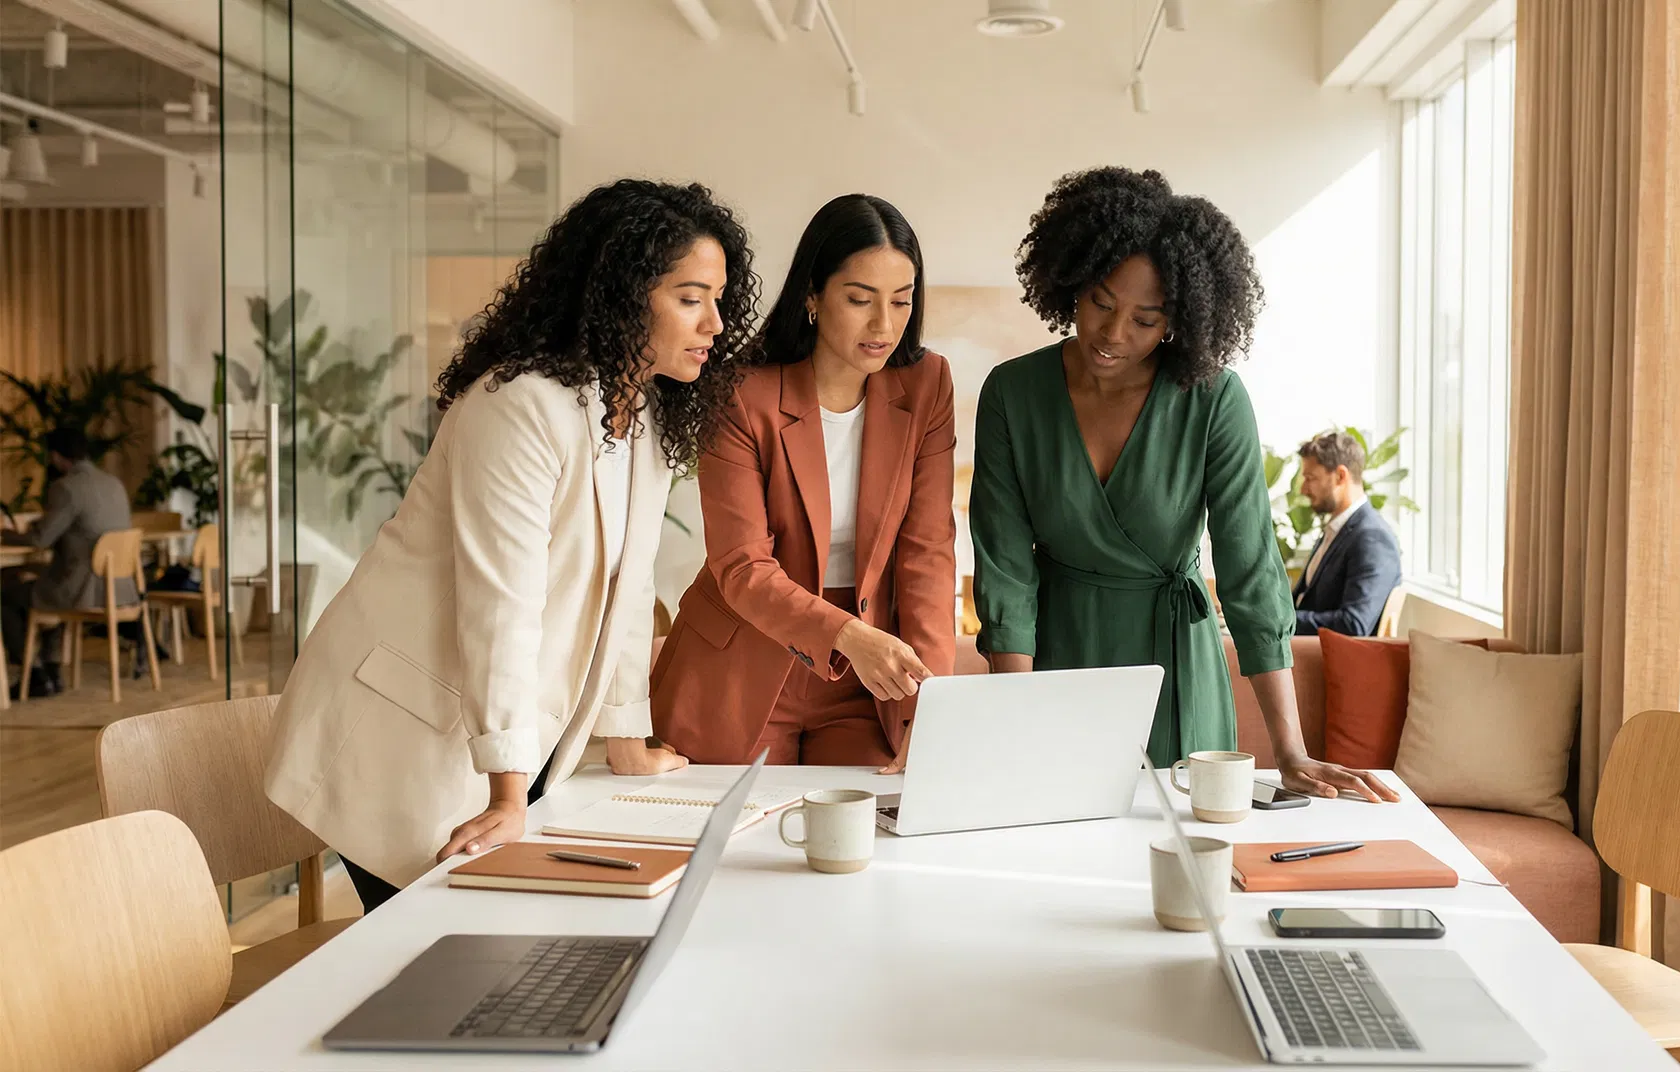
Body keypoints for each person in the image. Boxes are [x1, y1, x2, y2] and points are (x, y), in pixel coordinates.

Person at [264, 179, 758, 912]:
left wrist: (627, 736)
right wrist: (506, 791)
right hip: (398, 730)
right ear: (623, 295)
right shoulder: (519, 402)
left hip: (496, 744)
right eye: (691, 298)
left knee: (488, 938)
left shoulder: (643, 416)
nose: (715, 322)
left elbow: (629, 590)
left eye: (718, 298)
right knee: (439, 943)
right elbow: (502, 601)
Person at [968, 167, 1396, 802]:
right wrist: (1019, 715)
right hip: (1058, 663)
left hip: (1175, 664)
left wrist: (1290, 751)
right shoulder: (1012, 393)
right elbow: (1005, 570)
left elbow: (1251, 572)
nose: (1114, 334)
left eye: (1146, 319)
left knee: (1184, 854)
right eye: (1101, 303)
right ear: (1071, 281)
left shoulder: (1213, 398)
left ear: (1179, 319)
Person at [651, 194, 955, 771]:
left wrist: (931, 705)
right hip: (742, 662)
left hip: (867, 677)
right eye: (860, 299)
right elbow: (742, 565)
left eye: (901, 301)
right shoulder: (741, 392)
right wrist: (847, 635)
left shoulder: (926, 384)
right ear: (812, 297)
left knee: (874, 816)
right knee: (739, 826)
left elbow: (928, 553)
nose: (884, 325)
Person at [1, 427, 138, 696]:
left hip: (83, 590)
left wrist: (5, 533)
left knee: (6, 596)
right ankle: (51, 666)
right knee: (43, 581)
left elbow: (40, 539)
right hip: (120, 587)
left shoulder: (66, 487)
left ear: (55, 456)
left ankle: (34, 673)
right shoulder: (114, 484)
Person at [1291, 430, 1403, 637]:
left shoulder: (1372, 538)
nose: (1303, 490)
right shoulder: (1336, 529)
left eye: (1310, 478)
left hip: (1322, 654)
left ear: (1340, 476)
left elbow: (1353, 624)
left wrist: (1282, 621)